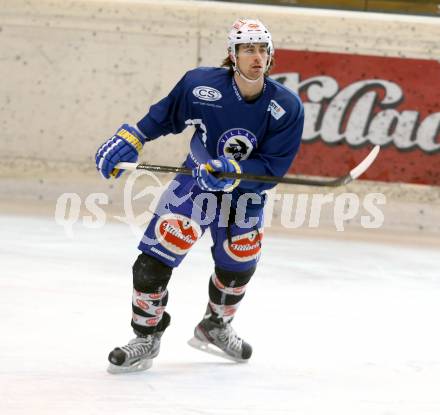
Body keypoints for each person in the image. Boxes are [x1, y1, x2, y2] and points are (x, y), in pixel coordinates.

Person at [95, 18, 304, 374]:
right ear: (232, 54)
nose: (257, 56)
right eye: (248, 49)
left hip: (244, 195)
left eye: (262, 49)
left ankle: (215, 326)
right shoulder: (201, 85)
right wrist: (134, 138)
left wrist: (236, 174)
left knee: (239, 265)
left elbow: (272, 167)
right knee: (153, 261)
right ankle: (146, 336)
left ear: (271, 56)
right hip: (196, 181)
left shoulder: (286, 107)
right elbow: (165, 116)